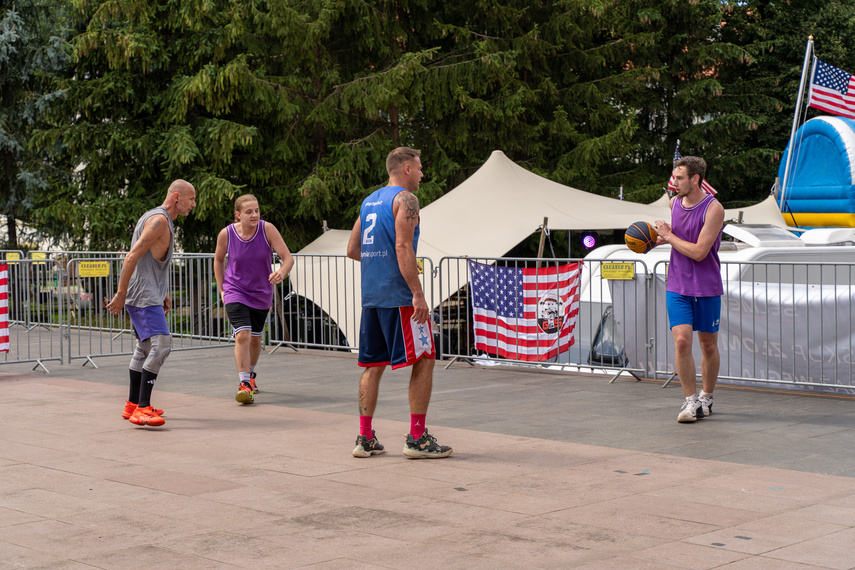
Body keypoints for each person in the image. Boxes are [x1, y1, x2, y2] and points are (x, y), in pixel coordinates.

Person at [346, 147, 452, 459]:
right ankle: (417, 438)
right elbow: (403, 245)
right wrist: (417, 293)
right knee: (425, 358)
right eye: (419, 169)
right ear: (406, 168)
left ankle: (364, 438)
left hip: (372, 295)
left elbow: (352, 249)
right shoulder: (406, 200)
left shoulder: (369, 201)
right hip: (399, 296)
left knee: (373, 365)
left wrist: (379, 263)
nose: (422, 174)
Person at [106, 179, 197, 427]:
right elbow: (132, 255)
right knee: (162, 346)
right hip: (143, 297)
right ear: (176, 197)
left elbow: (151, 260)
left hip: (148, 294)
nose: (193, 204)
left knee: (144, 347)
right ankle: (143, 408)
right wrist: (121, 293)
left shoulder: (158, 218)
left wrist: (163, 291)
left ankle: (132, 404)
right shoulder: (158, 221)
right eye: (191, 199)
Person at [654, 156, 724, 423]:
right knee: (682, 340)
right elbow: (674, 240)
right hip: (678, 284)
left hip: (706, 286)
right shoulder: (674, 203)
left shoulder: (714, 208)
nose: (674, 183)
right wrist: (651, 240)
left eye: (680, 178)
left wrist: (669, 237)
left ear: (695, 179)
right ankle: (690, 402)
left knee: (707, 345)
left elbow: (698, 252)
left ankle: (706, 397)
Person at [214, 194, 294, 404]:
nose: (254, 215)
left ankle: (250, 375)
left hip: (261, 293)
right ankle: (244, 383)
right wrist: (222, 289)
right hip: (235, 290)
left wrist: (281, 273)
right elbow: (219, 259)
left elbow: (288, 258)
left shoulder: (267, 229)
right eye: (249, 212)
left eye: (256, 210)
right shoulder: (227, 234)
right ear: (238, 215)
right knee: (243, 335)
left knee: (256, 339)